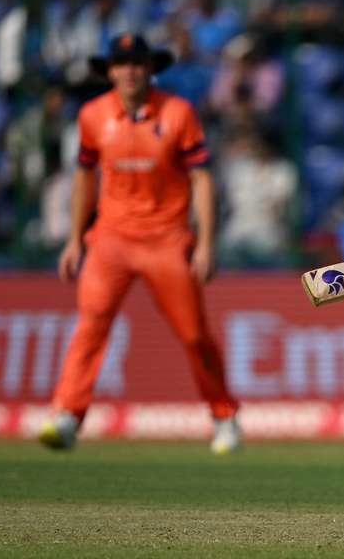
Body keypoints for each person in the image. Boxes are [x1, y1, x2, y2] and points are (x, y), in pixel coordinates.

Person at [37, 33, 241, 455]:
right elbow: (83, 178)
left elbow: (202, 179)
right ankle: (67, 415)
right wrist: (74, 240)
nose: (130, 71)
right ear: (109, 71)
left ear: (150, 69)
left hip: (166, 240)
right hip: (111, 239)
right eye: (122, 64)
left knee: (193, 335)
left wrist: (205, 242)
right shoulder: (93, 115)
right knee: (90, 325)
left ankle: (223, 415)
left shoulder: (178, 112)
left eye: (138, 63)